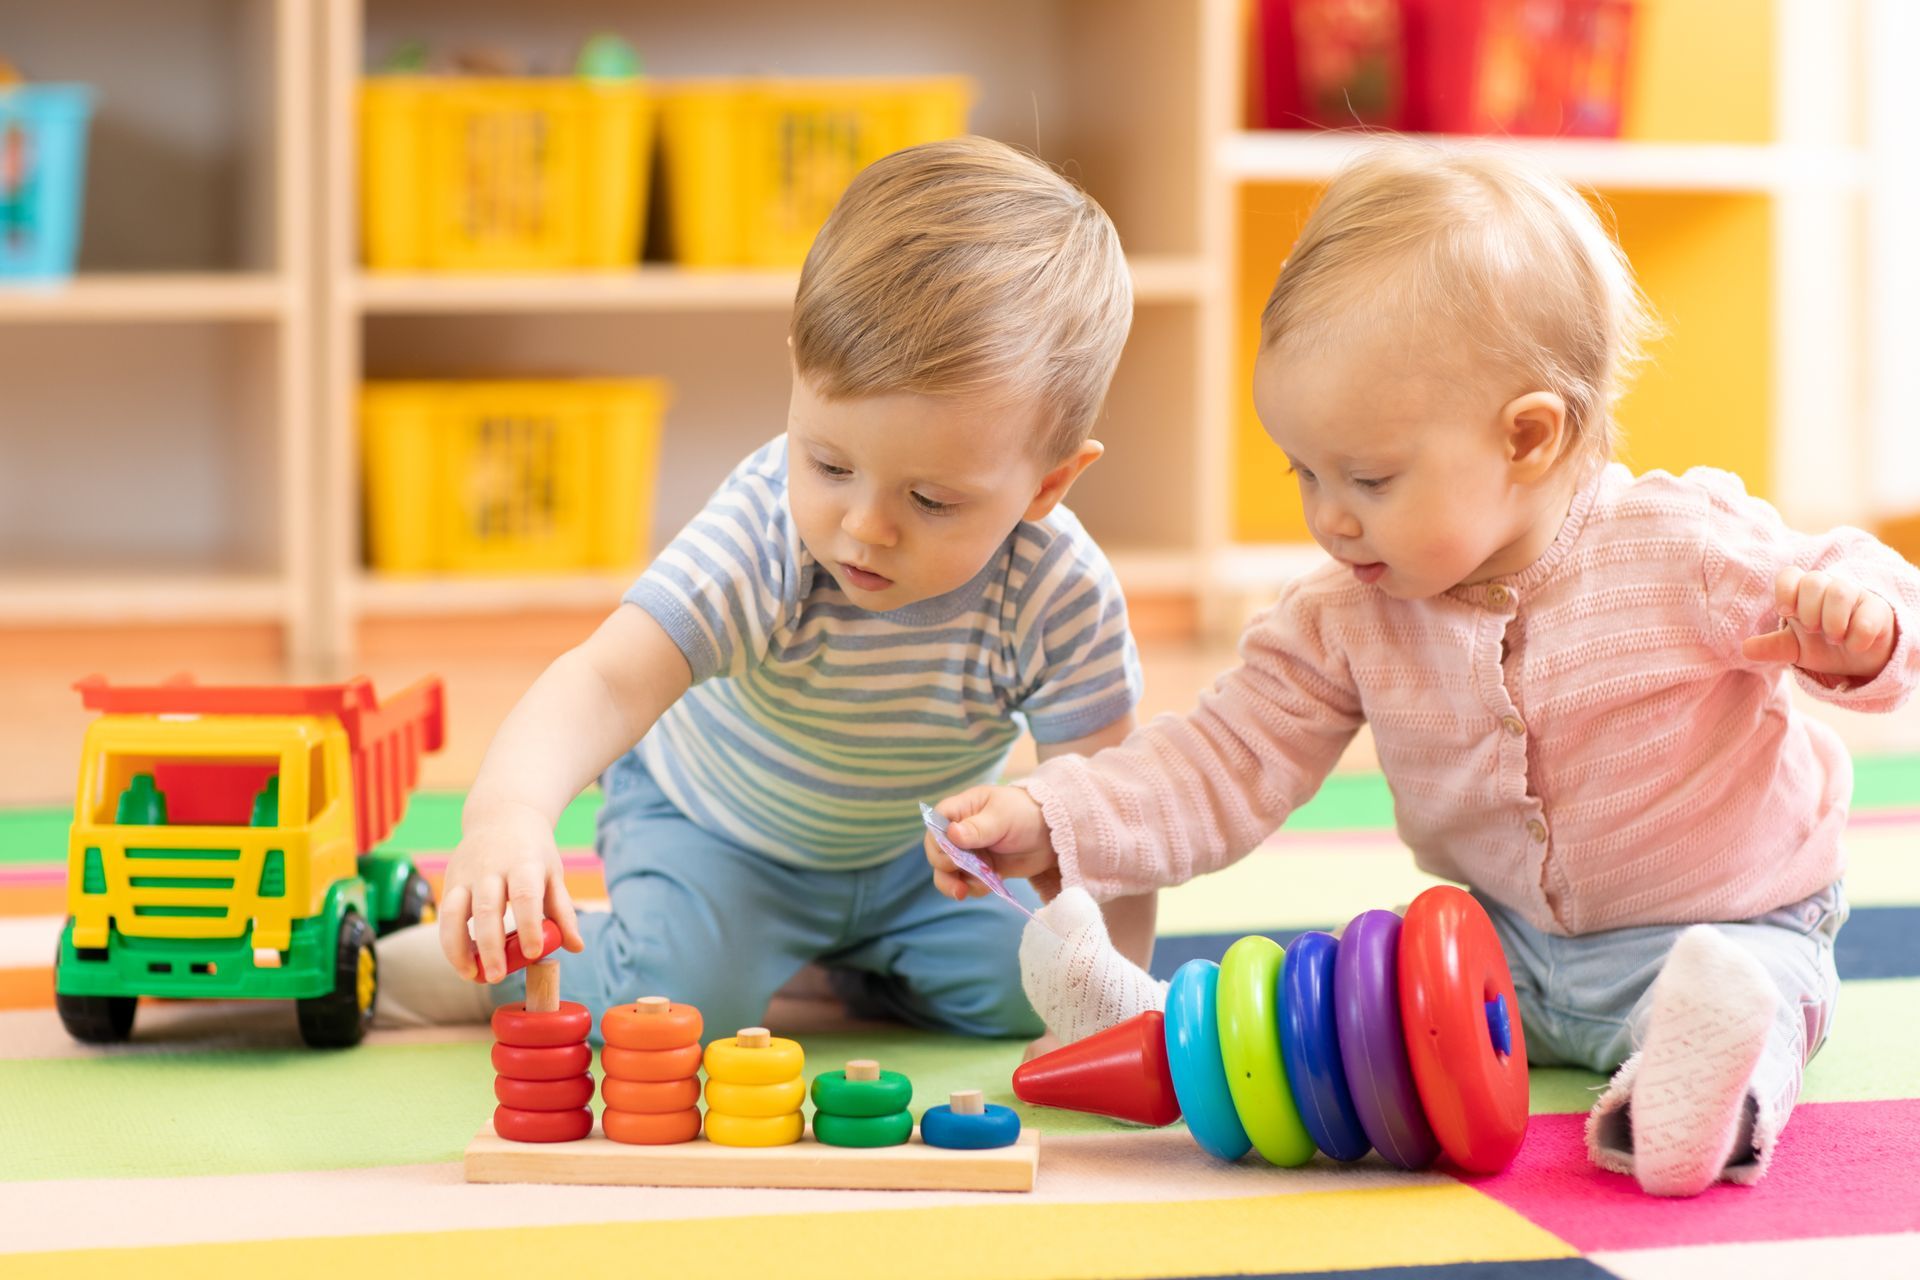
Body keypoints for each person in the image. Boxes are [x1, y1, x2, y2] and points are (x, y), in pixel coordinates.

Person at [928, 139, 1919, 1196]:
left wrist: (1861, 626)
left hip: (1726, 922)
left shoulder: (1680, 546)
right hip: (1501, 951)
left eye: (1368, 475)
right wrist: (1056, 818)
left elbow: (1859, 584)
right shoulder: (1347, 611)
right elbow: (1221, 756)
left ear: (1528, 439)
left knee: (1755, 998)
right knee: (1345, 1014)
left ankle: (1682, 1106)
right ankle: (1152, 1032)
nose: (1327, 514)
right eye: (1303, 469)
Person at [373, 136, 1157, 1046]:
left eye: (932, 499)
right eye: (827, 462)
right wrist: (507, 814)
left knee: (1038, 986)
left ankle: (853, 965)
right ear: (796, 376)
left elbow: (1102, 816)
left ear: (1049, 486)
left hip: (918, 860)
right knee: (676, 1009)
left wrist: (1112, 1001)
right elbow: (603, 682)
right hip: (716, 833)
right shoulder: (762, 538)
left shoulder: (1061, 592)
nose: (865, 525)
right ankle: (489, 973)